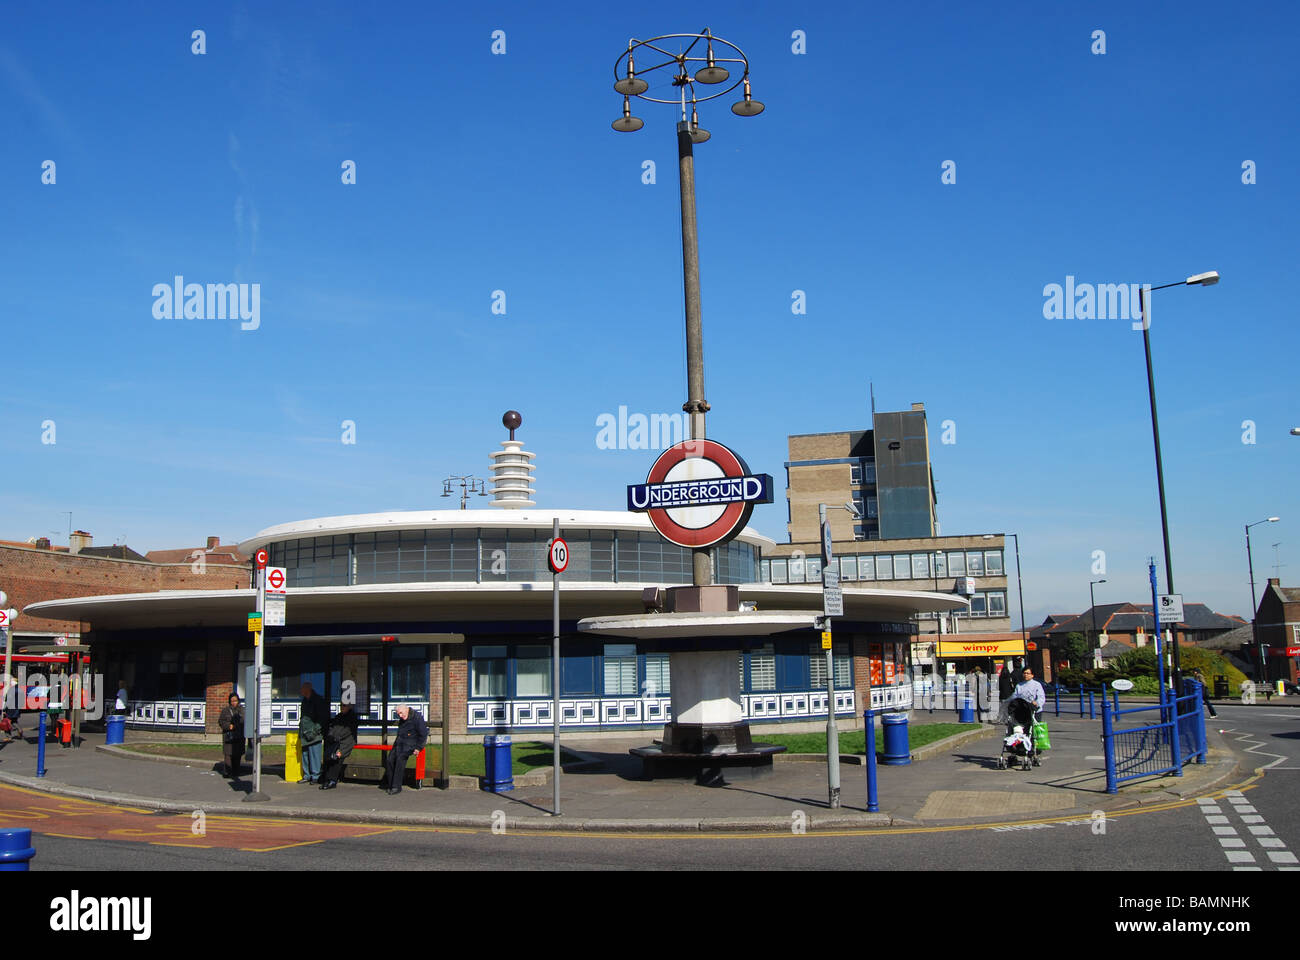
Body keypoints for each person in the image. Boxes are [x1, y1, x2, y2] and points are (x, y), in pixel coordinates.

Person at [383, 705, 428, 795]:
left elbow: (423, 734)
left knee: (400, 759)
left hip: (411, 744)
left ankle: (396, 786)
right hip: (400, 743)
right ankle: (391, 784)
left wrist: (418, 747)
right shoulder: (403, 718)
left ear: (406, 710)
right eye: (398, 714)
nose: (400, 715)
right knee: (389, 760)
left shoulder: (417, 717)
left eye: (401, 713)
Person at [320, 703, 359, 789]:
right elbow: (332, 728)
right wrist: (331, 735)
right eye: (341, 706)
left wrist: (338, 737)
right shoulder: (338, 716)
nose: (342, 708)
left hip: (347, 741)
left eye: (344, 706)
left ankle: (332, 780)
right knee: (329, 755)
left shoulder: (352, 717)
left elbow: (348, 731)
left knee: (337, 756)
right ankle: (327, 778)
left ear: (349, 707)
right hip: (336, 741)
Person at [298, 682, 329, 784]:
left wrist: (315, 731)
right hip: (304, 733)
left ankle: (316, 776)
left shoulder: (318, 700)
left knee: (315, 755)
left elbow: (322, 719)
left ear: (308, 689)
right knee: (305, 755)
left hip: (314, 734)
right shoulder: (304, 701)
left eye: (302, 688)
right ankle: (307, 775)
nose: (301, 690)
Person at [1008, 667, 1046, 734]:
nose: (1026, 675)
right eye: (1024, 673)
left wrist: (1037, 702)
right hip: (1023, 711)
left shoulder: (1037, 685)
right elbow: (1014, 696)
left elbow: (1041, 697)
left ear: (1032, 675)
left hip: (1035, 711)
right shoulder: (1019, 685)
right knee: (1023, 729)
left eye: (1028, 673)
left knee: (1034, 730)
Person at [218, 693, 244, 778]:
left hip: (239, 735)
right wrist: (228, 726)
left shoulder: (242, 710)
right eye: (232, 701)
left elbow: (244, 720)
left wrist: (236, 725)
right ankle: (227, 771)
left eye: (235, 701)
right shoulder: (225, 710)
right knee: (228, 755)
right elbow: (221, 721)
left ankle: (236, 771)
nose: (233, 703)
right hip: (228, 735)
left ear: (238, 701)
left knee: (237, 754)